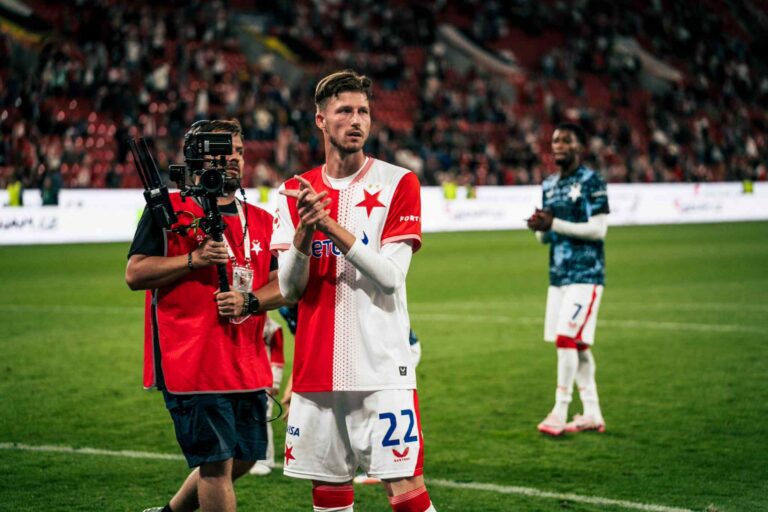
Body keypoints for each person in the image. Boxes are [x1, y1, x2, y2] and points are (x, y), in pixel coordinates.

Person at [271, 70, 437, 512]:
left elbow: (390, 276)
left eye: (363, 111)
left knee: (406, 493)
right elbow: (288, 288)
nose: (356, 120)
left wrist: (329, 226)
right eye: (344, 111)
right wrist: (305, 233)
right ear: (321, 120)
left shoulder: (398, 182)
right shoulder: (292, 193)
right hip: (315, 373)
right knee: (329, 495)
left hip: (381, 371)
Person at [125, 119, 285, 512]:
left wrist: (249, 302)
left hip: (246, 363)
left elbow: (282, 285)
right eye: (223, 150)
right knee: (216, 465)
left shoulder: (262, 220)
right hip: (192, 362)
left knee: (246, 455)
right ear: (199, 157)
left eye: (239, 152)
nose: (233, 159)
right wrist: (193, 260)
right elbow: (135, 273)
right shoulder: (170, 211)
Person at [527, 122, 609, 437]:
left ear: (578, 146)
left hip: (586, 274)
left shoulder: (592, 181)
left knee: (565, 339)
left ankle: (560, 411)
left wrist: (554, 224)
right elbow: (546, 237)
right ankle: (592, 412)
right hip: (558, 276)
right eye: (555, 140)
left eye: (566, 140)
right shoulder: (549, 185)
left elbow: (598, 230)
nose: (559, 145)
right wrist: (540, 227)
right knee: (578, 344)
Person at [249, 315, 286, 476]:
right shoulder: (241, 322)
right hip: (244, 378)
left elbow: (278, 356)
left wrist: (275, 382)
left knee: (263, 419)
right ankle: (244, 457)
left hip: (264, 380)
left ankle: (264, 460)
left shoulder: (273, 328)